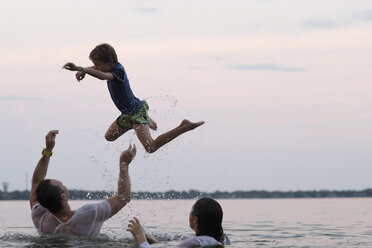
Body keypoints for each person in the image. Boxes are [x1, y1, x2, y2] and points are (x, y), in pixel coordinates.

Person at [62, 43, 204, 153]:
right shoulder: (109, 66)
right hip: (128, 114)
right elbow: (98, 68)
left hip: (136, 112)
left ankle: (183, 127)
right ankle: (144, 121)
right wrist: (84, 70)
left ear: (110, 61)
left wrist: (81, 68)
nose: (96, 67)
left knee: (151, 147)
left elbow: (103, 76)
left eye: (99, 65)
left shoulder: (118, 72)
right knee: (109, 137)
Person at [30, 130, 136, 237]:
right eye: (62, 184)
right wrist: (124, 165)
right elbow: (123, 198)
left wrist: (48, 150)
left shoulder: (39, 217)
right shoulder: (88, 214)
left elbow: (36, 182)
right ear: (63, 196)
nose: (65, 185)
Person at [127, 198, 231, 247]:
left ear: (195, 219)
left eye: (191, 210)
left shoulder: (195, 242)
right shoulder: (223, 239)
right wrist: (154, 242)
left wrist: (140, 236)